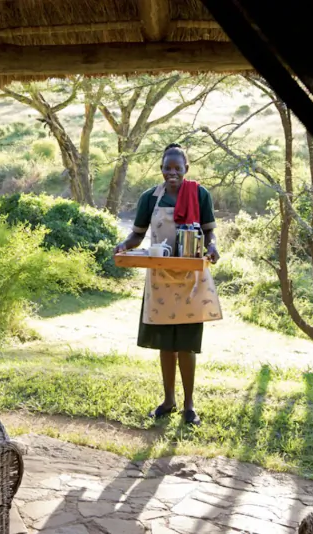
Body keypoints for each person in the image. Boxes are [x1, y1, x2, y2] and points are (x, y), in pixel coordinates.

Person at [114, 143, 221, 425]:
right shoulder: (150, 198)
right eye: (167, 168)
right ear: (161, 169)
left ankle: (189, 405)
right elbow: (137, 235)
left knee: (186, 344)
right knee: (166, 344)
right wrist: (124, 245)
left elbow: (209, 231)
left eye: (177, 168)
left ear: (187, 168)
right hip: (161, 278)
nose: (172, 173)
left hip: (190, 278)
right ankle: (168, 400)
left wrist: (212, 248)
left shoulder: (199, 194)